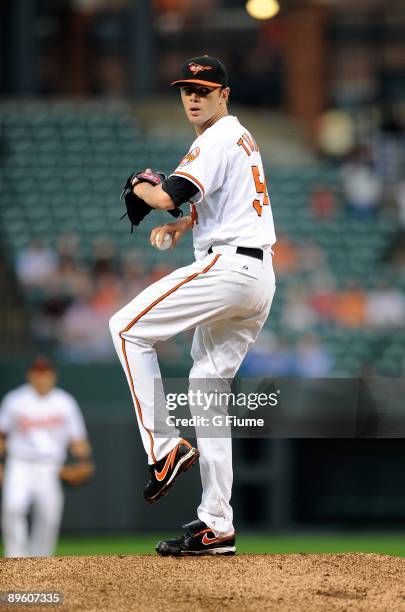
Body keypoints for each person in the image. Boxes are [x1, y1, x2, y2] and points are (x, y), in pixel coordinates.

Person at [109, 55, 276, 556]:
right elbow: (228, 203)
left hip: (229, 270)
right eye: (186, 88)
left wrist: (139, 185)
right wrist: (187, 224)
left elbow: (165, 196)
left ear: (225, 93)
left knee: (125, 328)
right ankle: (217, 525)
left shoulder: (215, 137)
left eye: (204, 88)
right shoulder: (240, 138)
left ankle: (162, 449)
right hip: (257, 275)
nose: (193, 96)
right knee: (207, 386)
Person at [0, 357, 94, 557]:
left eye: (46, 373)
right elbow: (2, 435)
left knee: (48, 517)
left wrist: (83, 462)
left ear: (53, 376)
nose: (42, 378)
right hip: (20, 463)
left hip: (51, 465)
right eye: (38, 373)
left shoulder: (65, 402)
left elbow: (77, 439)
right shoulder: (15, 399)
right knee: (12, 507)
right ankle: (15, 557)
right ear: (30, 375)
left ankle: (41, 560)